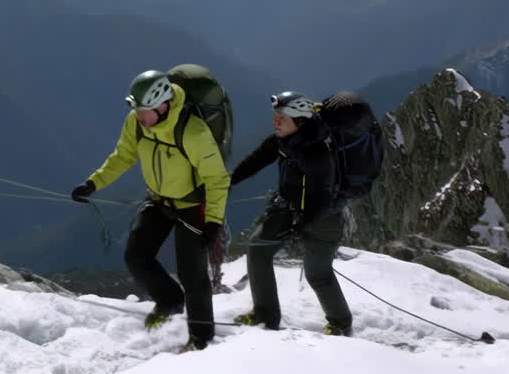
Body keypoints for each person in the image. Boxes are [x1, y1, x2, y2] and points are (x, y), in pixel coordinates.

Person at [71, 70, 230, 351]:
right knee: (136, 256)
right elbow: (123, 156)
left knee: (193, 275)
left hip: (192, 206)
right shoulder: (137, 123)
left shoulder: (193, 132)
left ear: (163, 105)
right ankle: (170, 301)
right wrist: (93, 183)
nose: (138, 116)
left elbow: (217, 179)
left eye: (144, 110)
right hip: (158, 200)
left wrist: (214, 221)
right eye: (136, 109)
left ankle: (201, 339)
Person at [229, 91, 353, 336]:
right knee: (257, 248)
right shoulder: (283, 140)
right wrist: (230, 180)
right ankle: (266, 315)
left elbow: (321, 198)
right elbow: (257, 159)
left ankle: (341, 323)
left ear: (299, 122)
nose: (275, 121)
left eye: (281, 118)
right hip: (290, 207)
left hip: (323, 217)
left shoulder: (317, 153)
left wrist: (301, 226)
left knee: (317, 274)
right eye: (275, 116)